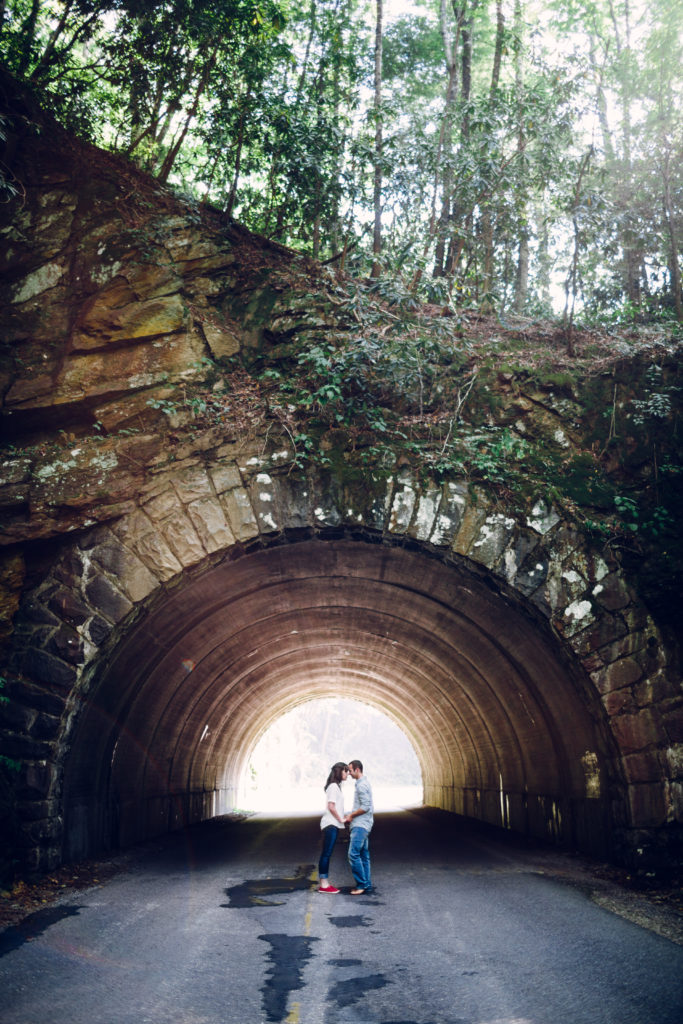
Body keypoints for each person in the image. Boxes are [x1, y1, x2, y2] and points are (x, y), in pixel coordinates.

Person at [318, 762, 349, 893]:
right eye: (345, 771)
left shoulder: (336, 786)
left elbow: (336, 806)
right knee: (326, 854)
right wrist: (340, 819)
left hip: (333, 824)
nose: (347, 773)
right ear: (339, 772)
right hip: (330, 824)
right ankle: (324, 885)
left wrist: (344, 815)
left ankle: (324, 883)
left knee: (327, 853)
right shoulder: (333, 787)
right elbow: (331, 807)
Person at [345, 759, 374, 895]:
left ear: (357, 770)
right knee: (363, 855)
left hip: (360, 825)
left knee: (353, 854)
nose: (349, 773)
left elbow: (366, 806)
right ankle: (366, 884)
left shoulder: (361, 786)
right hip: (365, 824)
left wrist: (351, 815)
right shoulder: (364, 783)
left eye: (350, 770)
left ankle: (361, 885)